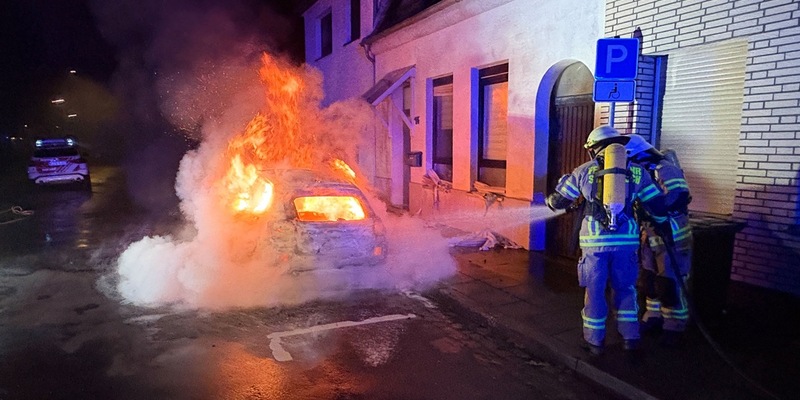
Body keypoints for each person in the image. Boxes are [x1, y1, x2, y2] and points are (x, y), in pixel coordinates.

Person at [546, 126, 665, 355]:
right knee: (626, 289)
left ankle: (594, 342)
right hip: (627, 243)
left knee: (595, 291)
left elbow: (558, 201)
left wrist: (553, 197)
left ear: (594, 149)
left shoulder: (583, 170)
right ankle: (630, 338)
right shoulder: (638, 171)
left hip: (594, 244)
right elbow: (658, 207)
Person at [626, 134, 692, 347]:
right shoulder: (644, 172)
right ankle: (653, 317)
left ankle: (674, 325)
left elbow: (679, 195)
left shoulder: (665, 169)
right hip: (651, 234)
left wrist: (655, 211)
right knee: (649, 278)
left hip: (671, 234)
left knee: (670, 281)